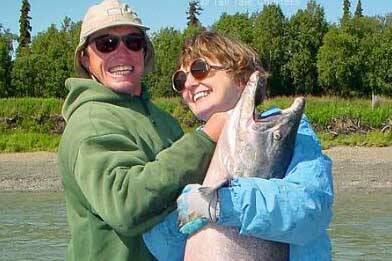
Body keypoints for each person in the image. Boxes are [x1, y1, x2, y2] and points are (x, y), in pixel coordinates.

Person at [58, 1, 227, 260]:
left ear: (144, 52)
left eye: (133, 42)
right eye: (106, 43)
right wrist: (205, 139)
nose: (122, 52)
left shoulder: (164, 120)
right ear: (85, 58)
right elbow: (125, 204)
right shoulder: (90, 123)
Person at [143, 31, 334, 260]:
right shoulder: (193, 149)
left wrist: (224, 203)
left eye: (200, 69)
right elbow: (161, 248)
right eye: (180, 80)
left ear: (241, 78)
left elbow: (310, 210)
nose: (190, 83)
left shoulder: (284, 132)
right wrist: (180, 219)